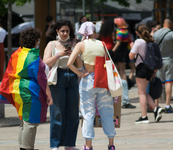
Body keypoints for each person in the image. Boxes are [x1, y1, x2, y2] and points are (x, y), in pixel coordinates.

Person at [0, 27, 53, 150]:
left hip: (17, 90)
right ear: (35, 41)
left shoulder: (16, 54)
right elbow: (42, 79)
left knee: (24, 120)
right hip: (30, 91)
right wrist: (49, 95)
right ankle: (27, 148)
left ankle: (23, 147)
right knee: (31, 123)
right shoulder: (34, 58)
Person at [67, 22, 116, 150]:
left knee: (88, 114)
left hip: (88, 80)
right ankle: (111, 144)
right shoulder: (102, 44)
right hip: (102, 80)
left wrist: (79, 73)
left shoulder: (80, 45)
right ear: (94, 31)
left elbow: (69, 63)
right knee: (107, 112)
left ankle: (88, 146)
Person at [43, 19, 82, 150]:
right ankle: (55, 144)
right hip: (57, 77)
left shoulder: (75, 43)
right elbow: (45, 64)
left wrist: (76, 56)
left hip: (72, 77)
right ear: (57, 31)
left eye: (67, 31)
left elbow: (80, 66)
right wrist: (59, 55)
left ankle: (70, 144)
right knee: (57, 112)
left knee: (73, 113)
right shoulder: (51, 44)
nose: (65, 33)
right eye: (62, 31)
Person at [129, 24, 164, 124]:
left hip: (141, 68)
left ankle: (144, 116)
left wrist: (132, 47)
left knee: (141, 93)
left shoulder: (138, 41)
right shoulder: (150, 40)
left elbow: (131, 56)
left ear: (137, 33)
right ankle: (156, 108)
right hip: (149, 68)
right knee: (144, 92)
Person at [153, 17, 173, 113]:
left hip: (159, 61)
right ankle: (167, 106)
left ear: (164, 22)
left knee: (158, 84)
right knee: (169, 83)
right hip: (170, 61)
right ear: (171, 25)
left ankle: (156, 106)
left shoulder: (156, 33)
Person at [113, 17, 132, 81]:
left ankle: (124, 86)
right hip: (124, 50)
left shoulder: (121, 31)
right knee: (120, 69)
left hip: (120, 51)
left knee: (121, 70)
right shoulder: (126, 31)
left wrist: (112, 50)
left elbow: (118, 42)